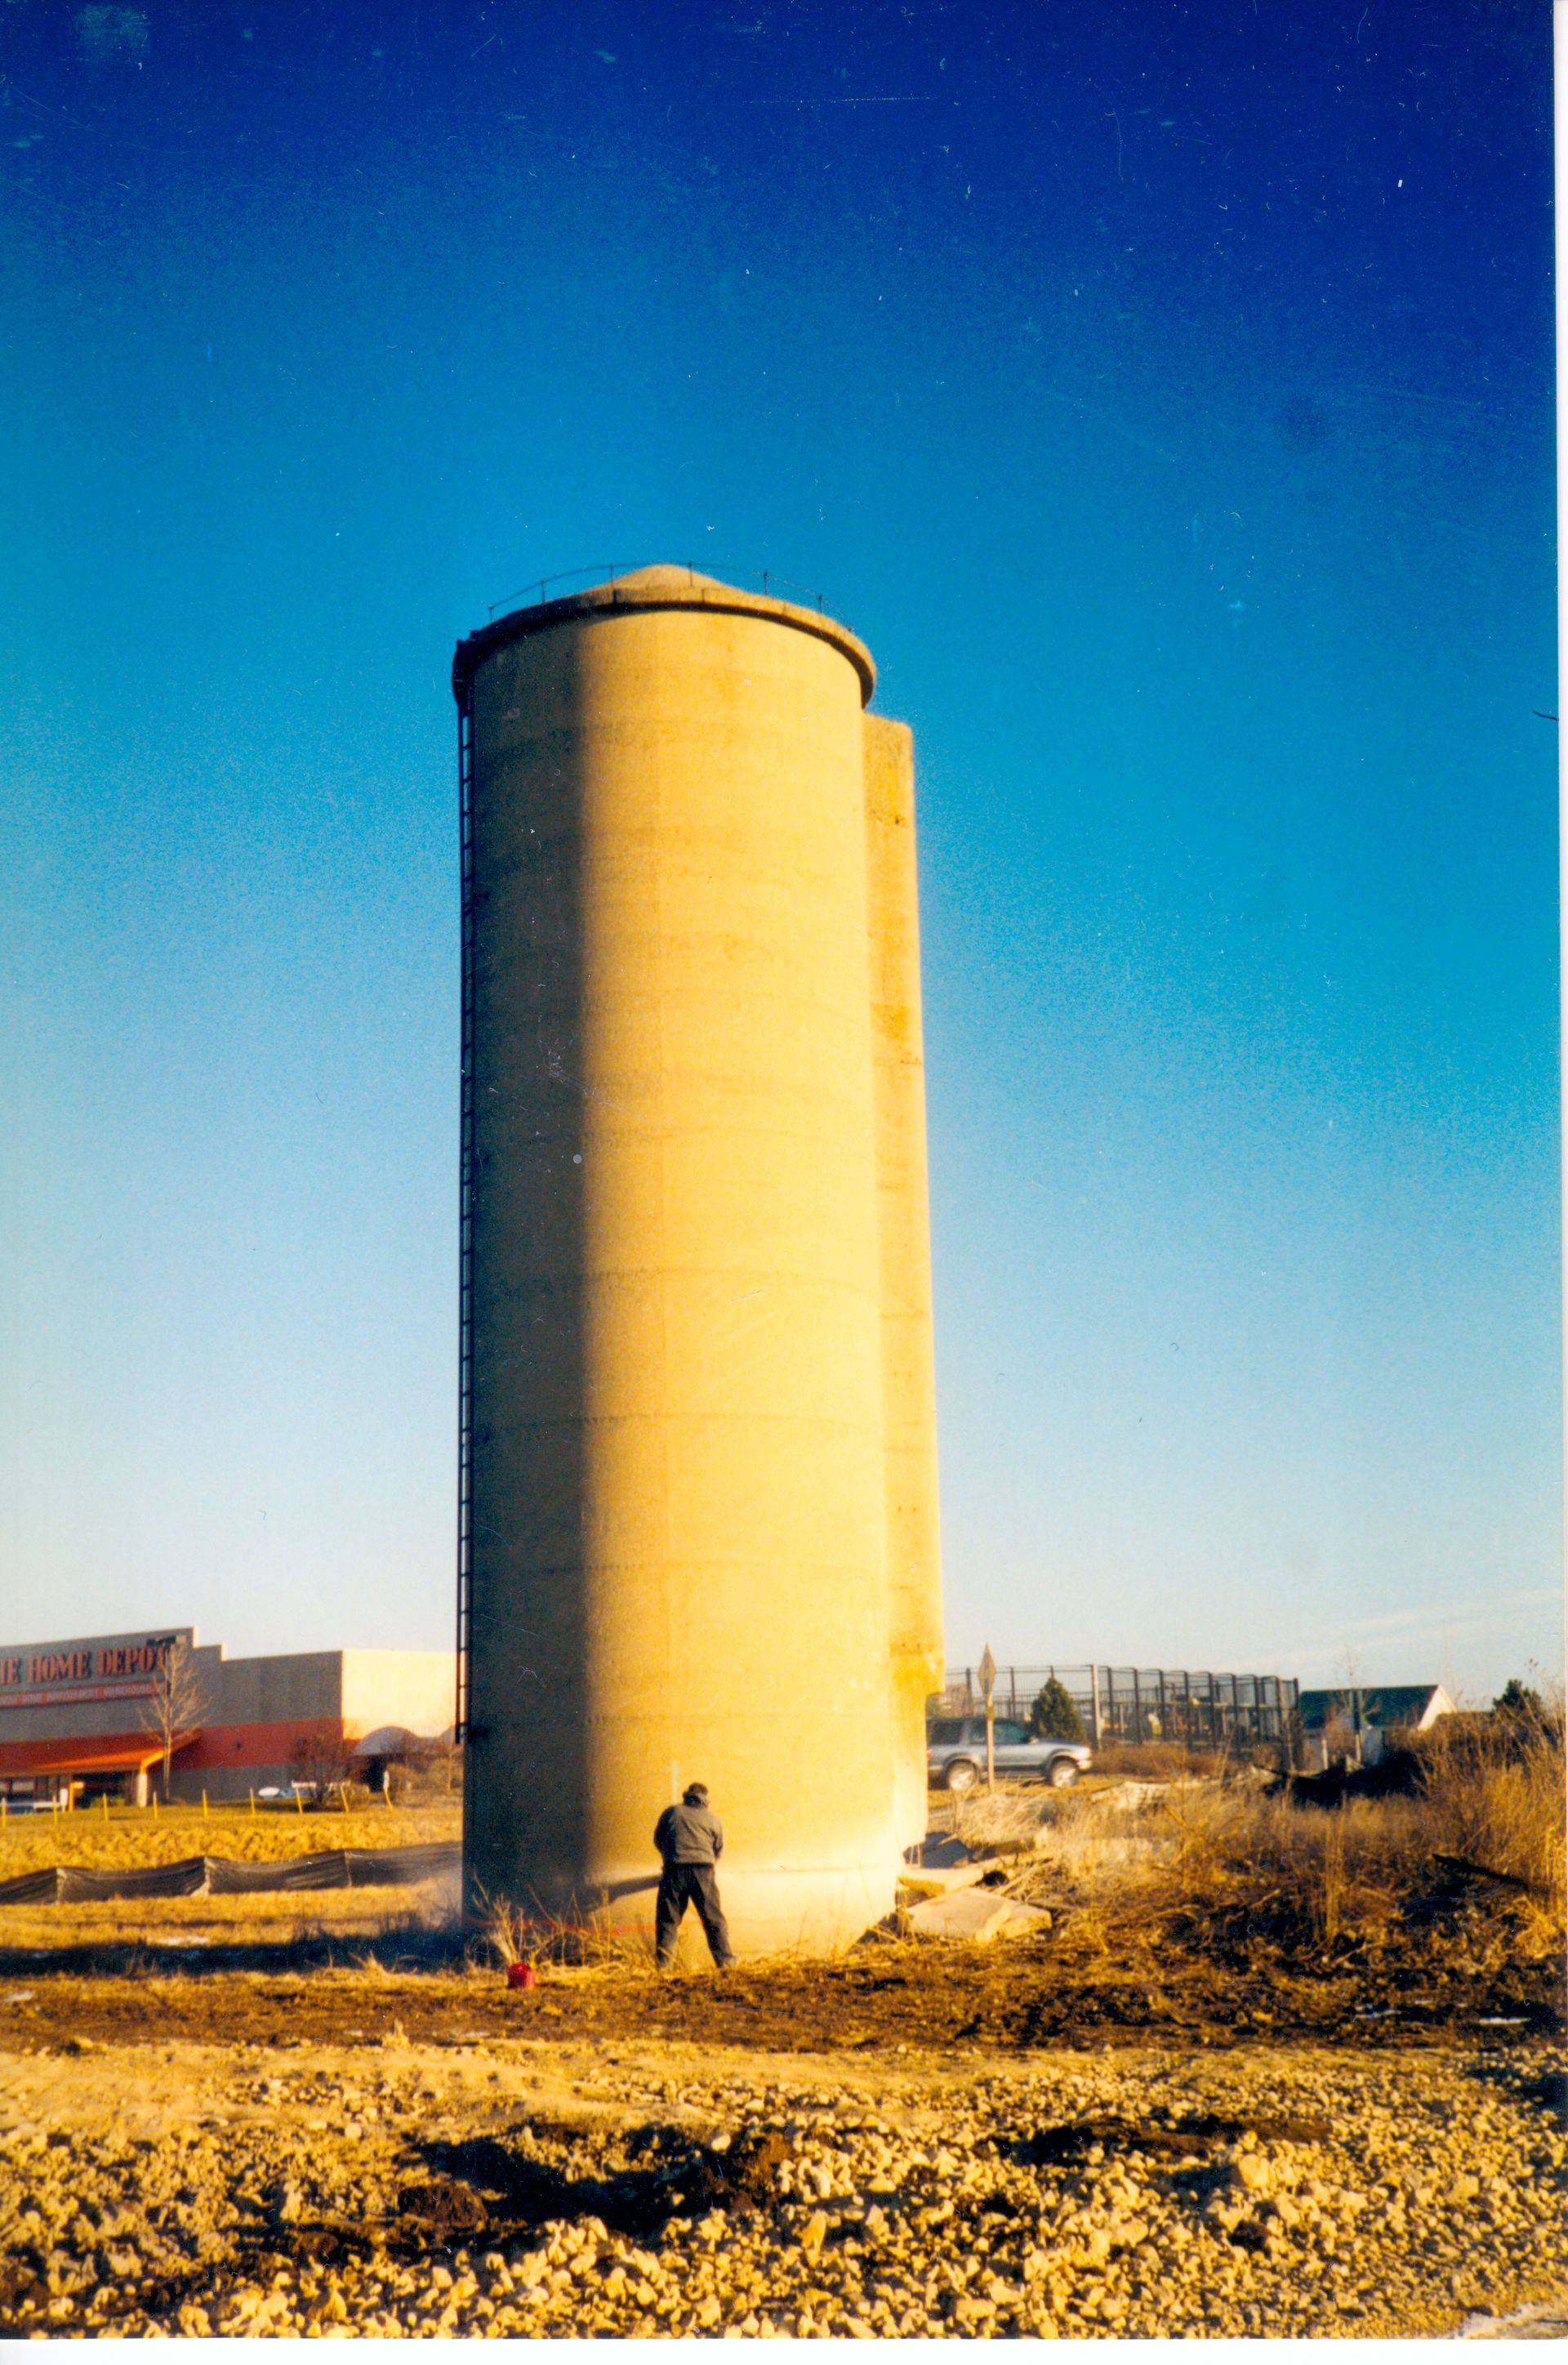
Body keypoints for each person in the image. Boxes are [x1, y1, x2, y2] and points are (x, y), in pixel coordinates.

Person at [653, 1782, 734, 1969]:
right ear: (706, 1798)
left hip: (674, 1869)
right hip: (703, 1871)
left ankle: (663, 1967)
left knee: (668, 1920)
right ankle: (726, 1963)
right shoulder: (712, 1819)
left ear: (687, 1795)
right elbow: (719, 1849)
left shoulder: (672, 1812)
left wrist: (670, 1855)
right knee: (713, 1919)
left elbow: (658, 1839)